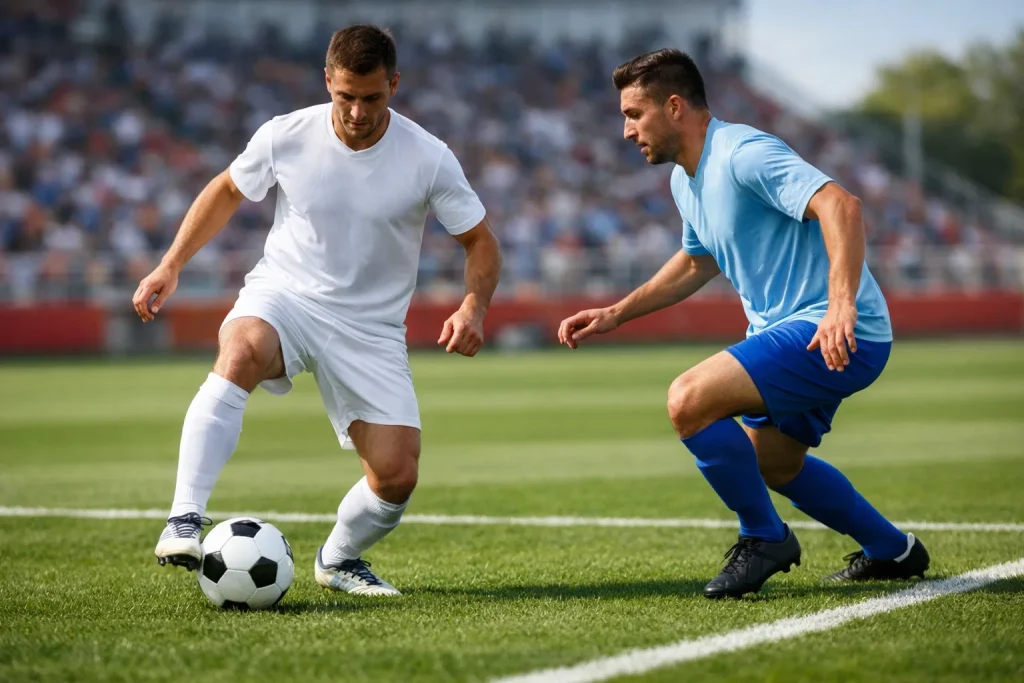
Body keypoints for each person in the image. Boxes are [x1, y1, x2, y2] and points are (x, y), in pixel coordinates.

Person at [135, 24, 501, 596]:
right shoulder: (286, 135)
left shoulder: (429, 157)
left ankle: (338, 558)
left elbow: (480, 241)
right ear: (327, 80)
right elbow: (228, 190)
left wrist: (474, 305)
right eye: (346, 96)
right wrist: (171, 263)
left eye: (372, 97)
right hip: (287, 294)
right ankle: (185, 516)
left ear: (394, 86)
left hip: (371, 328)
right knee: (242, 348)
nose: (357, 111)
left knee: (397, 476)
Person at [557, 49, 929, 599]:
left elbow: (841, 206)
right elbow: (694, 262)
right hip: (799, 334)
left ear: (675, 106)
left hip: (832, 328)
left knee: (688, 399)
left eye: (634, 114)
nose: (626, 129)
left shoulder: (743, 152)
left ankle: (764, 537)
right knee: (774, 464)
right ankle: (893, 550)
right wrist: (616, 312)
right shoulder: (685, 181)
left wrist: (840, 304)